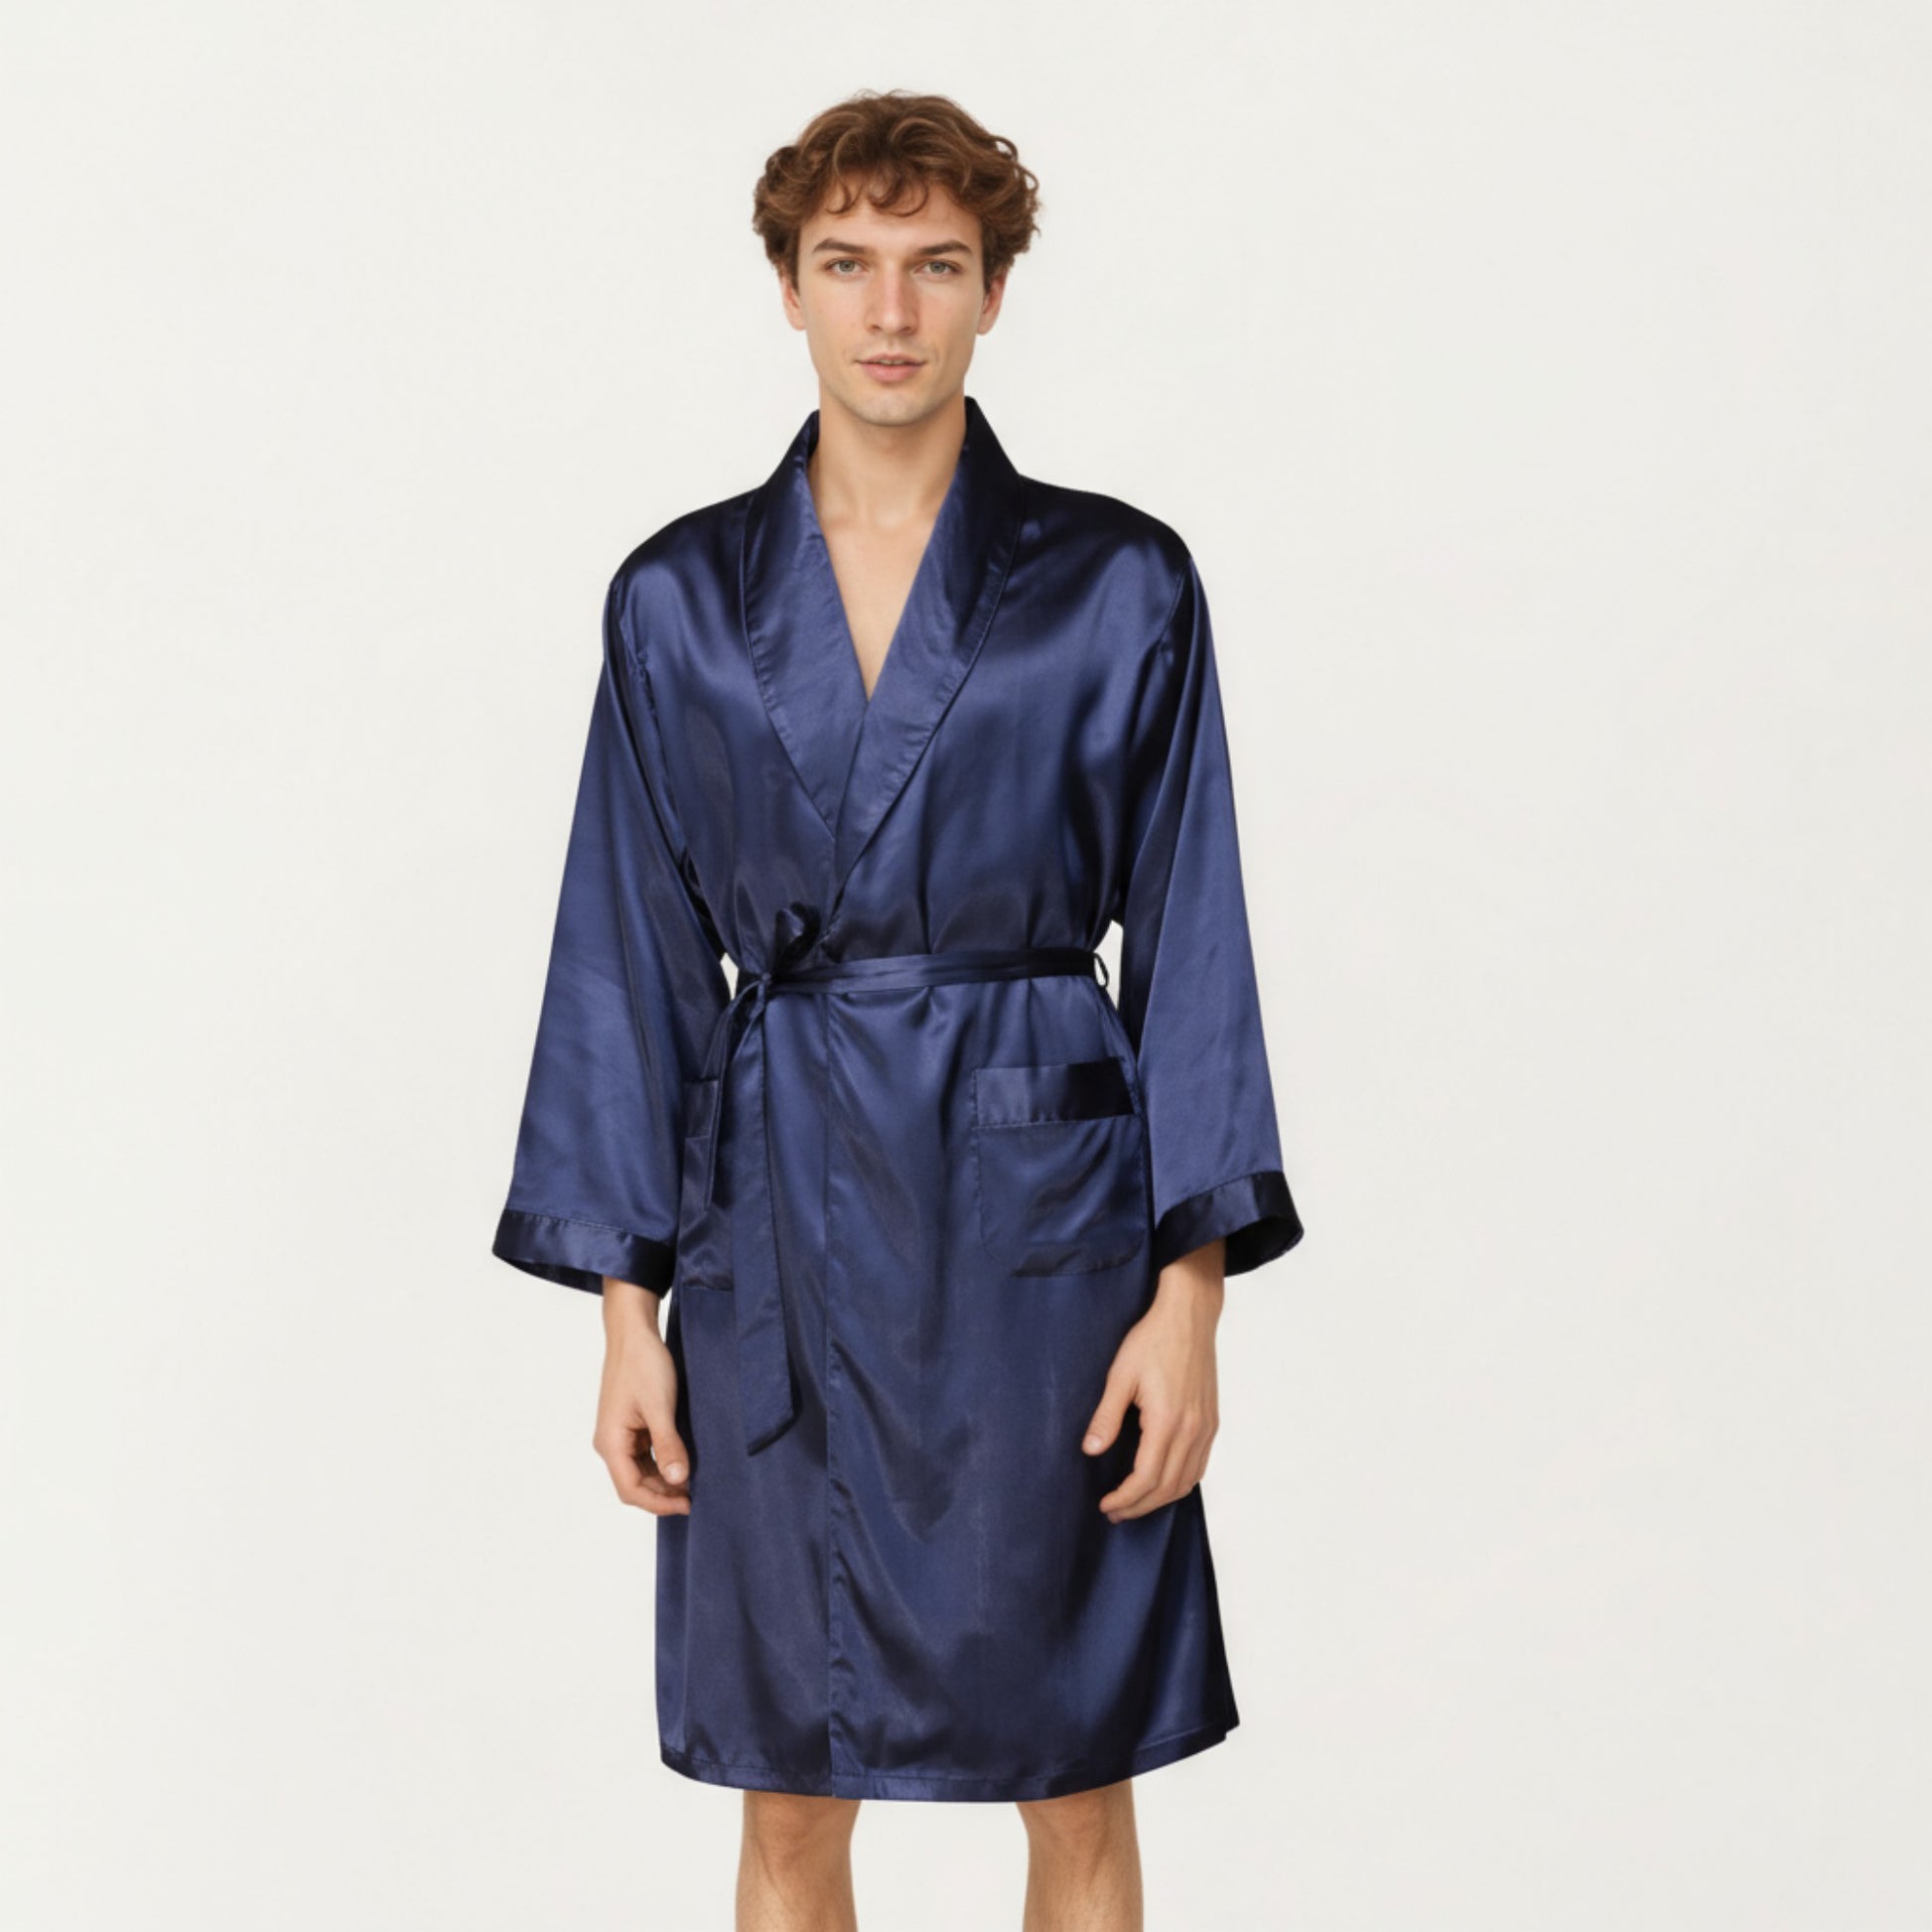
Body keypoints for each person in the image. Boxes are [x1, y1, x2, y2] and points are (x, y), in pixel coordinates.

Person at [491, 87, 1305, 1929]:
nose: (888, 310)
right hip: (775, 1232)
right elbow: (624, 952)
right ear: (785, 285)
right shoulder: (680, 600)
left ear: (993, 292)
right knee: (788, 1796)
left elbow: (1195, 943)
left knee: (1073, 1777)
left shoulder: (1117, 582)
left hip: (1047, 1248)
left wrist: (1189, 1298)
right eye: (845, 263)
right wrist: (626, 1312)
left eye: (934, 266)